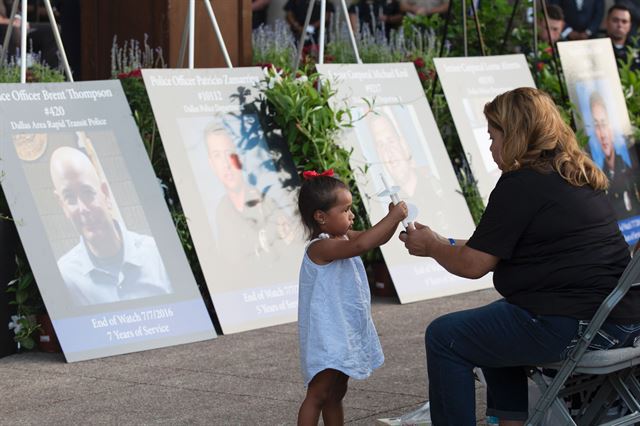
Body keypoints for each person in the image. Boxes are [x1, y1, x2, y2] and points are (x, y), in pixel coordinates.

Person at [399, 87, 640, 425]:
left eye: (493, 136)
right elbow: (497, 245)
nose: (491, 146)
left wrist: (432, 247)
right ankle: (507, 421)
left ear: (515, 134)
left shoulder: (522, 184)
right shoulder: (573, 173)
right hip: (620, 319)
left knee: (445, 336)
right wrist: (441, 240)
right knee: (497, 321)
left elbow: (473, 265)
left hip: (578, 324)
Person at [296, 171, 407, 425]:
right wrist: (392, 217)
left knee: (336, 393)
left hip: (344, 330)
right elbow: (361, 246)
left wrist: (391, 219)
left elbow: (374, 238)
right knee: (318, 394)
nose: (351, 215)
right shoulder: (321, 247)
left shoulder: (343, 236)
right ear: (321, 217)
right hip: (328, 334)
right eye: (345, 210)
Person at [50, 146, 173, 305]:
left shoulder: (157, 254)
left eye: (88, 193)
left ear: (105, 194)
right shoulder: (65, 277)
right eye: (70, 198)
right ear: (62, 206)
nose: (83, 209)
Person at [204, 121, 296, 273]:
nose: (226, 163)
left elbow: (291, 260)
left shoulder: (267, 205)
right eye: (217, 155)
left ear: (239, 157)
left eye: (229, 153)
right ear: (212, 164)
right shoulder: (222, 210)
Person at [589, 91, 640, 217]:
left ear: (612, 127)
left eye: (604, 124)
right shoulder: (594, 173)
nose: (602, 134)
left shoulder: (630, 164)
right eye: (596, 125)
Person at [601, 4, 640, 70]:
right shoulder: (597, 47)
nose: (620, 25)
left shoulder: (636, 48)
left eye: (624, 22)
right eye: (615, 20)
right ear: (606, 22)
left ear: (630, 25)